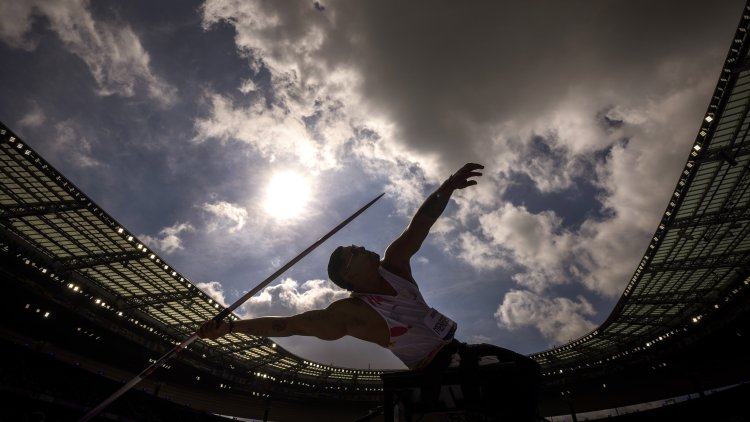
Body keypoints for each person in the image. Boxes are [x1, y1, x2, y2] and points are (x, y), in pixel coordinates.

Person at [199, 163, 541, 420]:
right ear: (349, 276)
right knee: (505, 388)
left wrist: (447, 187)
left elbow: (420, 224)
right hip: (435, 369)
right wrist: (230, 328)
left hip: (459, 349)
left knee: (528, 371)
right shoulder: (351, 313)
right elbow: (289, 325)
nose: (362, 246)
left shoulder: (394, 265)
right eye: (354, 251)